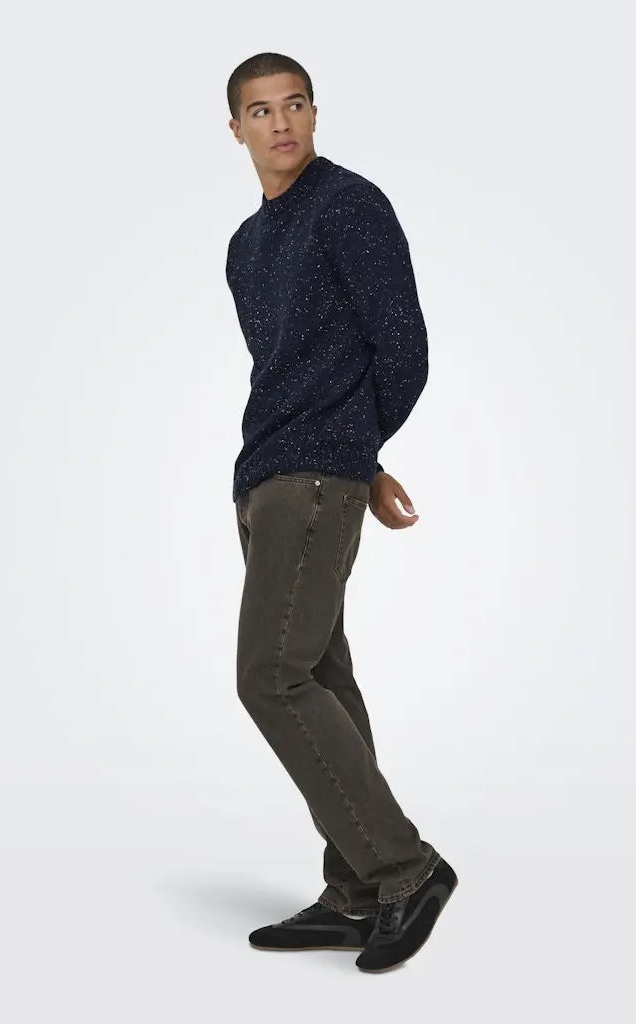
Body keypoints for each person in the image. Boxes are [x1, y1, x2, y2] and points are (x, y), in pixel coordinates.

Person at [225, 51, 457, 972]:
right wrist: (365, 459)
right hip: (266, 476)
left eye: (294, 105)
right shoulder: (246, 246)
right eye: (260, 111)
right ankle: (357, 888)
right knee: (320, 674)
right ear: (235, 129)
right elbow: (295, 366)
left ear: (315, 114)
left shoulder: (350, 205)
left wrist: (354, 454)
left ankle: (406, 869)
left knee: (270, 677)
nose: (279, 123)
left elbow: (401, 345)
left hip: (313, 478)